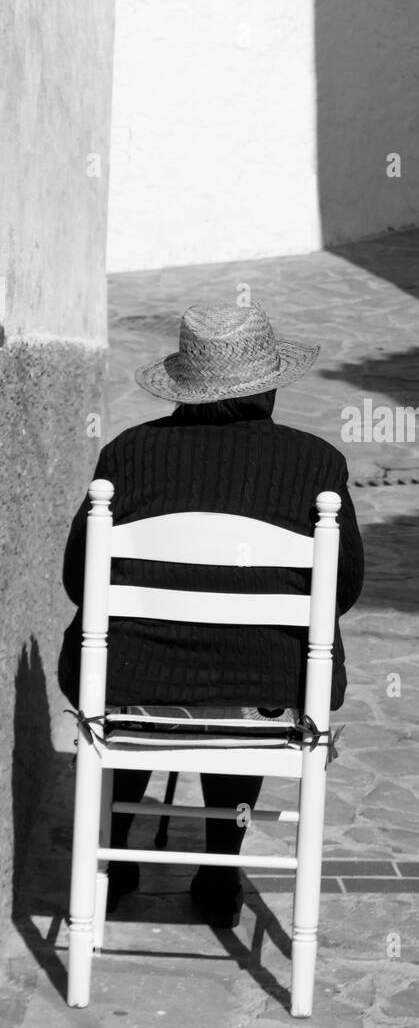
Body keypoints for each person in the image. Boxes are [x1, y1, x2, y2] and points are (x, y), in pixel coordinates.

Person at [59, 301, 364, 927]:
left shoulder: (128, 455)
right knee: (252, 668)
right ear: (270, 385)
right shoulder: (316, 465)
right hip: (265, 690)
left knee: (134, 660)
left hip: (134, 684)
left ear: (184, 386)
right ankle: (221, 867)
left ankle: (113, 870)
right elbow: (345, 589)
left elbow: (76, 579)